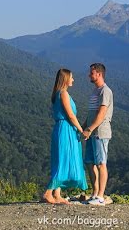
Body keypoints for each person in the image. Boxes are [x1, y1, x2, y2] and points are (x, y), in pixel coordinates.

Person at [43, 68, 88, 204]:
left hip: (62, 129)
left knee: (61, 160)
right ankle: (47, 193)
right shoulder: (63, 94)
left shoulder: (58, 93)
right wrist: (81, 130)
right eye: (72, 77)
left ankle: (57, 194)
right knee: (63, 160)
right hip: (66, 130)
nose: (73, 80)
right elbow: (70, 115)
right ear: (66, 79)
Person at [81, 62, 114, 206]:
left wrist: (90, 128)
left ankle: (100, 196)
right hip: (92, 132)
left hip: (100, 132)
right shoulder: (95, 91)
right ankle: (95, 193)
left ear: (99, 74)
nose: (89, 75)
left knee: (101, 163)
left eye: (91, 73)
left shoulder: (105, 91)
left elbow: (101, 114)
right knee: (89, 162)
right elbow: (92, 113)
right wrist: (83, 126)